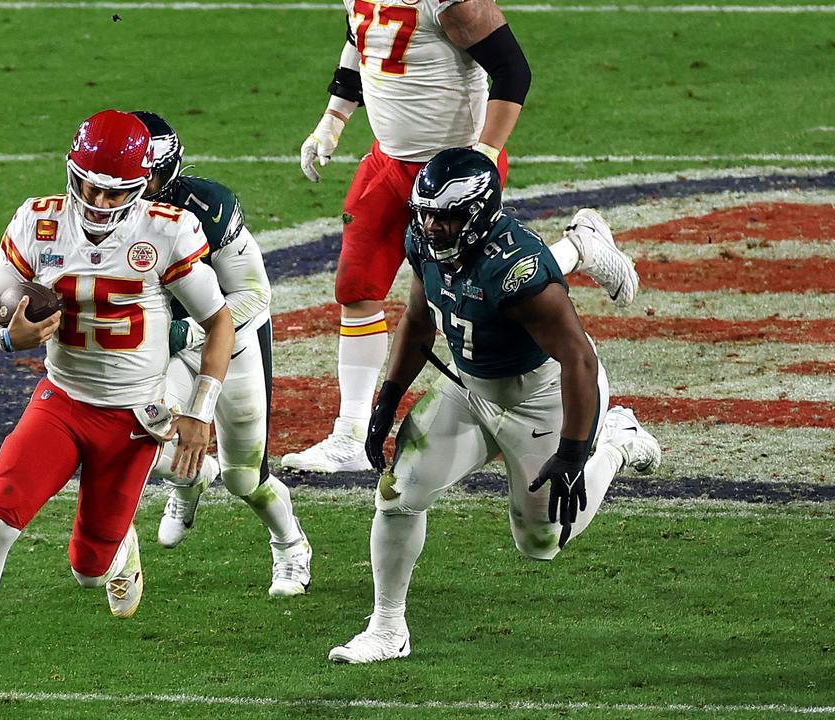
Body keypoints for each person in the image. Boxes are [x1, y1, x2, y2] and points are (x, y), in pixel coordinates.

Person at [0, 110, 234, 708]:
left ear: (143, 185)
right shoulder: (40, 221)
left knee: (88, 568)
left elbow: (218, 321)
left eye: (115, 189)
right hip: (60, 401)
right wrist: (8, 340)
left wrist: (201, 409)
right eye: (89, 183)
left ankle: (119, 545)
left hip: (133, 419)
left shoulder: (168, 230)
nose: (99, 198)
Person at [328, 148, 661, 664]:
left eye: (447, 216)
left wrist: (575, 454)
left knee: (542, 541)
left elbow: (579, 361)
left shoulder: (517, 269)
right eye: (428, 213)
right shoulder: (422, 237)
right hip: (468, 388)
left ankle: (616, 442)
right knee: (398, 492)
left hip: (541, 398)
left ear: (479, 214)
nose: (433, 226)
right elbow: (418, 318)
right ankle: (387, 627)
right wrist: (387, 399)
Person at [284, 0, 639, 473]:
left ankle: (578, 246)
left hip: (455, 178)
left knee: (480, 292)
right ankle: (348, 434)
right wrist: (333, 119)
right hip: (387, 162)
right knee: (356, 287)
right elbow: (361, 39)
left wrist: (486, 154)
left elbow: (513, 70)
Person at [130, 111, 311, 598]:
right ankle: (190, 479)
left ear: (166, 171)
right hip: (161, 348)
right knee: (139, 441)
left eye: (143, 175)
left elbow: (253, 296)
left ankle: (290, 544)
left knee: (244, 476)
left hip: (230, 343)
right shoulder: (99, 214)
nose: (131, 187)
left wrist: (185, 331)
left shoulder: (206, 208)